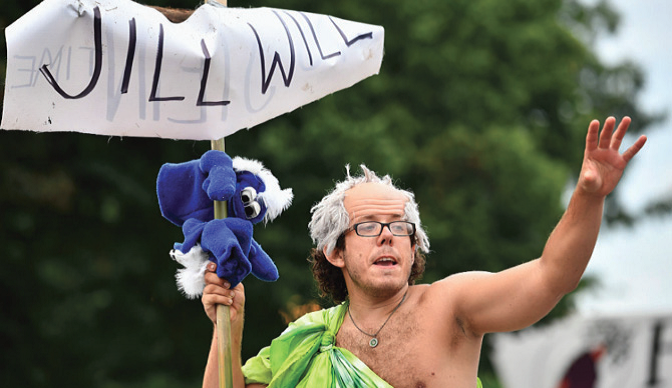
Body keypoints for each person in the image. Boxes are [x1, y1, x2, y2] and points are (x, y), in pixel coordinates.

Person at [200, 116, 647, 388]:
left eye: (401, 228)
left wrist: (588, 197)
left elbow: (552, 276)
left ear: (415, 249)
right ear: (335, 251)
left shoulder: (450, 306)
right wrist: (230, 329)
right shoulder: (306, 341)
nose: (388, 237)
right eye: (369, 227)